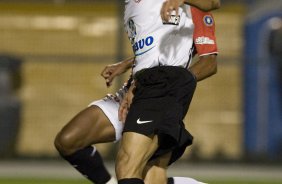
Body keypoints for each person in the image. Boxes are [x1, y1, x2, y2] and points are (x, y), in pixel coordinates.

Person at [54, 0, 219, 184]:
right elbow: (153, 48)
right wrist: (127, 64)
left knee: (131, 168)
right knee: (68, 140)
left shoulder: (191, 6)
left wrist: (173, 82)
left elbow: (209, 61)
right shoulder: (131, 5)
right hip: (135, 87)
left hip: (159, 91)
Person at [115, 0, 218, 184]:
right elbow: (149, 55)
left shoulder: (186, 7)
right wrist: (134, 83)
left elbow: (213, 2)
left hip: (164, 82)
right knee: (152, 170)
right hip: (149, 84)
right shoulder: (135, 7)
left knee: (127, 164)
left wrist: (179, 82)